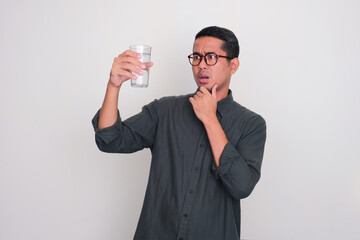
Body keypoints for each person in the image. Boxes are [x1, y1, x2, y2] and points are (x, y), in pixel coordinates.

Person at [92, 26, 266, 240]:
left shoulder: (251, 124)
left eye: (211, 57)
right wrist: (113, 85)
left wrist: (210, 119)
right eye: (196, 57)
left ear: (233, 65)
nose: (201, 65)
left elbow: (242, 186)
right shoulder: (164, 111)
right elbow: (110, 139)